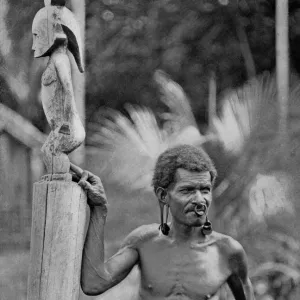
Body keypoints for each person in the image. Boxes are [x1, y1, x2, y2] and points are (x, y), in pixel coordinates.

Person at [78, 144, 255, 300]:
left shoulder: (228, 251)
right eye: (187, 190)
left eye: (205, 189)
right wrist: (99, 209)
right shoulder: (144, 242)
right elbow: (94, 283)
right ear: (163, 196)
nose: (200, 199)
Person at [32, 0, 85, 174]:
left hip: (68, 127)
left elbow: (68, 90)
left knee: (51, 150)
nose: (34, 45)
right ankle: (71, 176)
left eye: (37, 36)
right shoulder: (54, 59)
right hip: (60, 127)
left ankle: (61, 181)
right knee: (46, 151)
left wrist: (65, 124)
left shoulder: (60, 59)